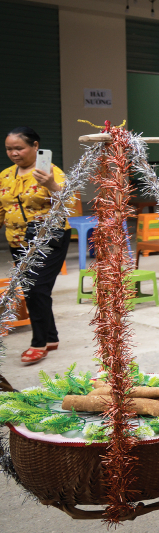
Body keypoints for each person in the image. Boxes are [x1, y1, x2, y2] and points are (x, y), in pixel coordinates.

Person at [1, 127, 72, 365]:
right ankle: (51, 338)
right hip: (17, 240)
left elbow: (69, 201)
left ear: (35, 146)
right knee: (35, 290)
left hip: (48, 239)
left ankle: (38, 343)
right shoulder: (5, 175)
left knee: (36, 289)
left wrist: (52, 184)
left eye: (19, 148)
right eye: (9, 148)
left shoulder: (50, 171)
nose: (14, 153)